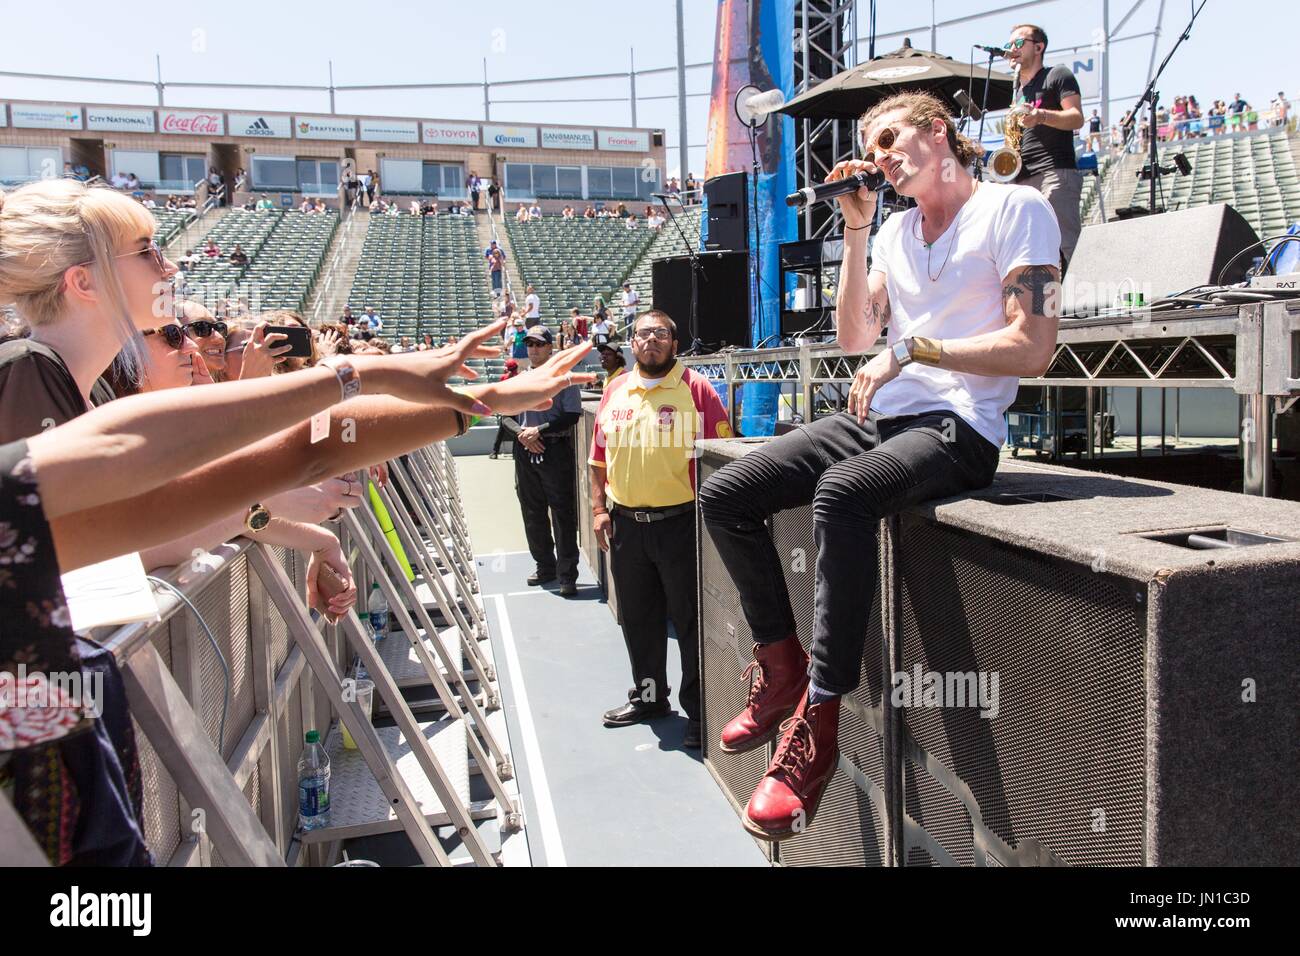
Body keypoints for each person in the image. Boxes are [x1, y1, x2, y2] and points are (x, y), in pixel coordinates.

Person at [698, 89, 1061, 840]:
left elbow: (1033, 347)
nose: (883, 154)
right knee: (728, 494)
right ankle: (783, 666)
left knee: (841, 495)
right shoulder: (894, 230)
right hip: (886, 418)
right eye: (874, 143)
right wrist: (859, 231)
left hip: (961, 424)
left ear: (940, 131)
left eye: (892, 137)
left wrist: (916, 348)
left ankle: (818, 721)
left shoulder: (1017, 208)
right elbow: (860, 335)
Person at [588, 310, 732, 748]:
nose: (651, 340)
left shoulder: (699, 390)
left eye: (660, 334)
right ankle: (650, 698)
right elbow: (597, 459)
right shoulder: (615, 390)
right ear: (632, 343)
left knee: (690, 622)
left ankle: (698, 712)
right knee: (639, 620)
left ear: (674, 342)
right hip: (627, 526)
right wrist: (599, 510)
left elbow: (722, 456)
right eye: (643, 334)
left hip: (681, 525)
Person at [499, 326, 583, 598]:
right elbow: (505, 415)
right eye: (530, 344)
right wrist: (523, 435)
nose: (533, 349)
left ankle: (567, 573)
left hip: (554, 448)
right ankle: (545, 566)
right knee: (532, 511)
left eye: (539, 344)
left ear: (550, 348)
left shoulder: (564, 378)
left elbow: (571, 415)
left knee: (561, 513)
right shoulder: (519, 379)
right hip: (525, 449)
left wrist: (540, 430)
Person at [1003, 23, 1084, 271]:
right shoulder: (1019, 90)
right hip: (1023, 177)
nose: (1011, 50)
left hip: (1055, 172)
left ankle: (1084, 304)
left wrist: (1041, 116)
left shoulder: (1057, 74)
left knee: (1068, 245)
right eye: (1009, 46)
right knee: (1033, 250)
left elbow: (1076, 117)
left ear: (1039, 47)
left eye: (1018, 44)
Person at [490, 358, 521, 458]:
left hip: (506, 408)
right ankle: (514, 453)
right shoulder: (519, 377)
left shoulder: (504, 377)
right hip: (517, 408)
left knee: (503, 430)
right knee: (516, 430)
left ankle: (495, 452)